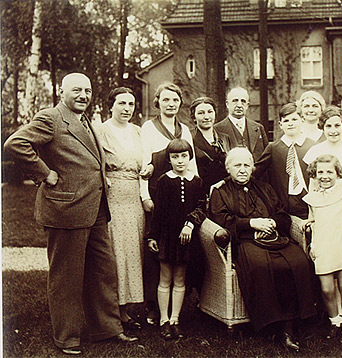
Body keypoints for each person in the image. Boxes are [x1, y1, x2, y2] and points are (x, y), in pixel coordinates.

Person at [4, 73, 137, 355]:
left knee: (103, 272)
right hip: (65, 209)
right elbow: (15, 143)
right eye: (77, 90)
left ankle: (107, 330)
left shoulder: (87, 120)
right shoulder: (51, 117)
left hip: (96, 208)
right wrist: (44, 174)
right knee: (67, 278)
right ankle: (67, 337)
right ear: (61, 92)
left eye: (87, 91)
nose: (83, 95)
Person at [209, 147, 316, 352]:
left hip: (275, 238)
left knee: (299, 261)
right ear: (228, 168)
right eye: (237, 165)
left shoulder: (264, 187)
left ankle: (295, 322)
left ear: (253, 168)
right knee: (260, 266)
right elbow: (221, 220)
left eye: (246, 165)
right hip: (246, 241)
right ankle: (274, 326)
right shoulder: (220, 191)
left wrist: (271, 223)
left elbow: (282, 214)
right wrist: (251, 224)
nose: (242, 170)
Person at [140, 82, 197, 325]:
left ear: (179, 103)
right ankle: (154, 306)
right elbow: (144, 165)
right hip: (157, 193)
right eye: (166, 100)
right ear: (158, 103)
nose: (170, 104)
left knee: (181, 253)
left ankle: (177, 309)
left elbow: (191, 163)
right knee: (157, 250)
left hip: (182, 197)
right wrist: (145, 196)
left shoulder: (184, 129)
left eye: (175, 100)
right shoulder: (149, 128)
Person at [96, 87, 147, 331]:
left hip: (133, 198)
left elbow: (145, 162)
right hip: (112, 198)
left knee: (132, 252)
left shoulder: (138, 131)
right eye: (122, 103)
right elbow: (96, 164)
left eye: (131, 104)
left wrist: (148, 169)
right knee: (115, 253)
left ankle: (126, 309)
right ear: (111, 105)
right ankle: (112, 311)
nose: (127, 109)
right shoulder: (101, 130)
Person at [146, 139, 206, 340]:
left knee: (180, 279)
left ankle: (175, 319)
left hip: (186, 238)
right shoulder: (164, 181)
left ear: (190, 158)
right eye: (175, 157)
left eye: (184, 156)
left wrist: (190, 224)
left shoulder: (196, 181)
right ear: (169, 159)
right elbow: (158, 212)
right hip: (167, 237)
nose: (180, 161)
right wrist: (153, 236)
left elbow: (200, 207)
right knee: (165, 278)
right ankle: (163, 320)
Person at [302, 154, 342, 345]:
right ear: (314, 175)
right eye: (320, 172)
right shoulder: (313, 198)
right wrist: (312, 242)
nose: (324, 176)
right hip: (323, 244)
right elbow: (313, 221)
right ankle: (335, 321)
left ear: (338, 173)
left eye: (329, 172)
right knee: (326, 289)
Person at [254, 103, 316, 219]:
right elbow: (256, 172)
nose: (291, 123)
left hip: (307, 203)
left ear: (302, 120)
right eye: (286, 121)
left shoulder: (313, 146)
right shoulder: (273, 148)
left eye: (294, 119)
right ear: (280, 124)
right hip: (282, 204)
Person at [303, 105, 342, 186]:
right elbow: (313, 186)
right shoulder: (315, 151)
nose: (333, 131)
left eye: (337, 126)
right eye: (328, 126)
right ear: (323, 127)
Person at [215, 87, 268, 162]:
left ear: (247, 105)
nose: (239, 105)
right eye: (235, 101)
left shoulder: (258, 128)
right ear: (227, 104)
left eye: (243, 101)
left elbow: (267, 158)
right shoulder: (217, 129)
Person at [190, 96, 231, 193]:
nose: (206, 117)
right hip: (199, 191)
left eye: (210, 112)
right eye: (201, 113)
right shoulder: (189, 137)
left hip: (224, 190)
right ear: (194, 117)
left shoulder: (225, 138)